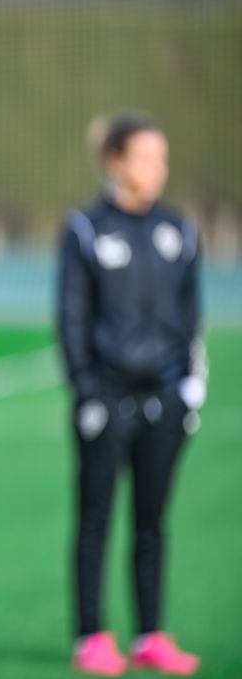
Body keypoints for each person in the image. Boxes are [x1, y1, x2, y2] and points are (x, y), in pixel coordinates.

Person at [58, 113, 206, 677]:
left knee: (152, 519)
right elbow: (71, 320)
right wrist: (87, 391)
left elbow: (190, 318)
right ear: (116, 162)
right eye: (146, 157)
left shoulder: (179, 229)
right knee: (95, 517)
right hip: (106, 401)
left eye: (162, 158)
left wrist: (187, 393)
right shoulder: (87, 229)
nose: (157, 169)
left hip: (164, 402)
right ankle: (91, 635)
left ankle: (150, 633)